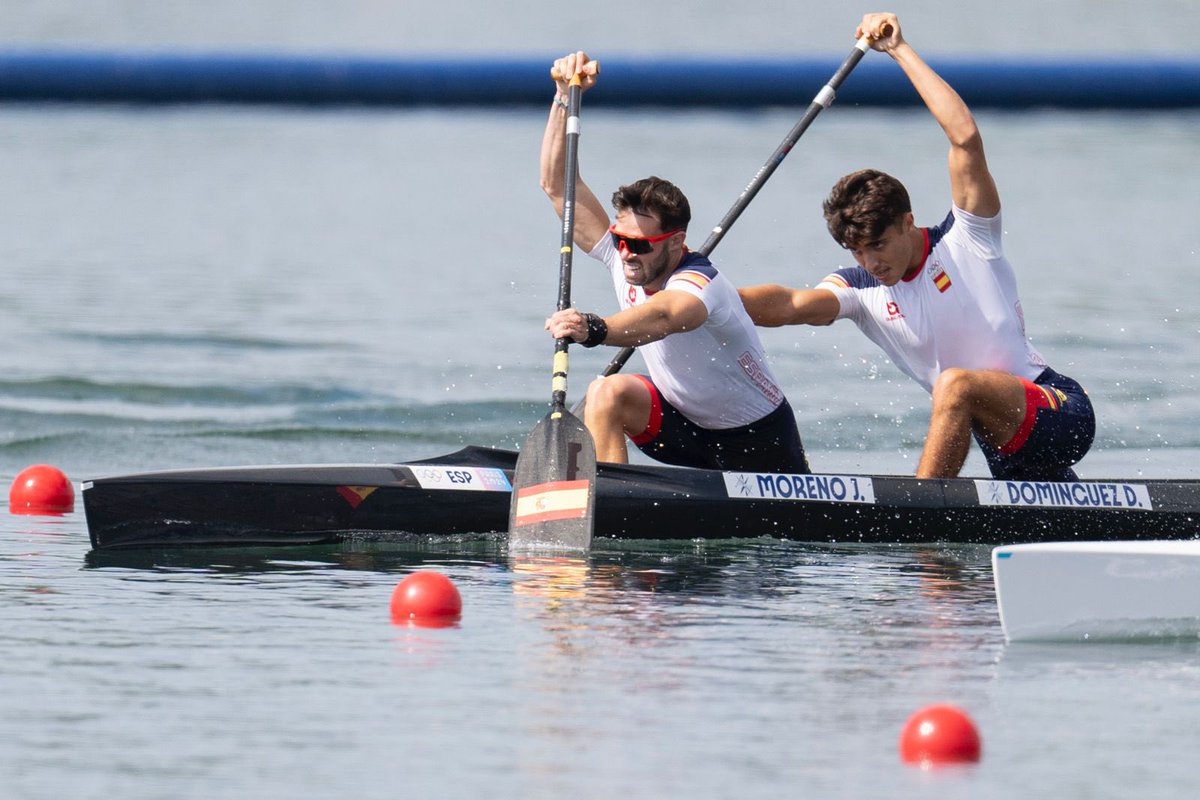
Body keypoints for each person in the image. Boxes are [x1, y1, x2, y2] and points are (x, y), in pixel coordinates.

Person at [739, 13, 1094, 481]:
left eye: (879, 245)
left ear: (908, 221)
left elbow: (964, 137)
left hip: (1058, 410)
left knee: (955, 385)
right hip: (998, 440)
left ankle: (919, 523)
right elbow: (789, 305)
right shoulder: (860, 289)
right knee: (1051, 534)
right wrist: (697, 296)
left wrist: (899, 49)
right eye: (857, 251)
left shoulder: (968, 236)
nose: (871, 262)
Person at [539, 51, 810, 473]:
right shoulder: (622, 252)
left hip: (758, 441)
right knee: (605, 392)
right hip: (683, 426)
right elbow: (558, 186)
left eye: (641, 245)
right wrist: (562, 98)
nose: (627, 252)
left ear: (676, 241)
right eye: (623, 239)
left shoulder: (702, 283)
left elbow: (665, 315)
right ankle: (614, 496)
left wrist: (594, 328)